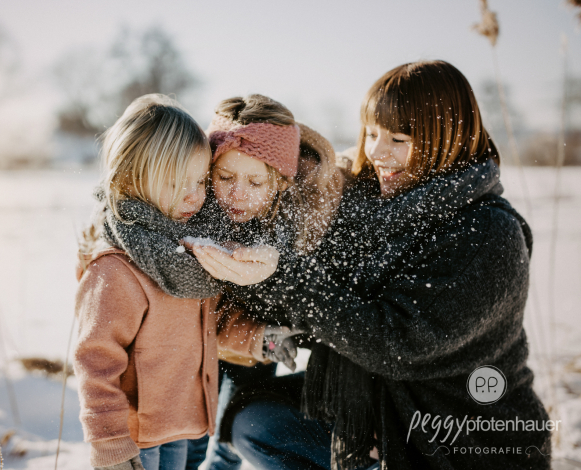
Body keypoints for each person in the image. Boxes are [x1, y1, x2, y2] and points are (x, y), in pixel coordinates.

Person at [193, 61, 552, 470]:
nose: (377, 153)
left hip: (459, 432)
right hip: (377, 397)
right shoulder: (371, 203)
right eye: (371, 133)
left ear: (446, 138)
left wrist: (283, 275)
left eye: (398, 138)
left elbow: (395, 345)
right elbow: (316, 280)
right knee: (255, 417)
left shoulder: (486, 232)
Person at [73, 94, 274, 470]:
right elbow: (95, 364)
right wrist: (110, 442)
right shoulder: (118, 269)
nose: (195, 196)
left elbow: (205, 327)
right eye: (176, 183)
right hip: (137, 440)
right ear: (131, 178)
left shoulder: (191, 253)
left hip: (185, 425)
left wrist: (257, 338)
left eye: (200, 181)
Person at [181, 94, 345, 470]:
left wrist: (269, 334)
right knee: (195, 426)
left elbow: (312, 298)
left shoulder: (302, 216)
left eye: (255, 182)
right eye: (225, 177)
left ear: (281, 182)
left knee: (232, 419)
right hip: (207, 341)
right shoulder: (195, 207)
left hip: (260, 344)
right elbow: (203, 309)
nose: (237, 194)